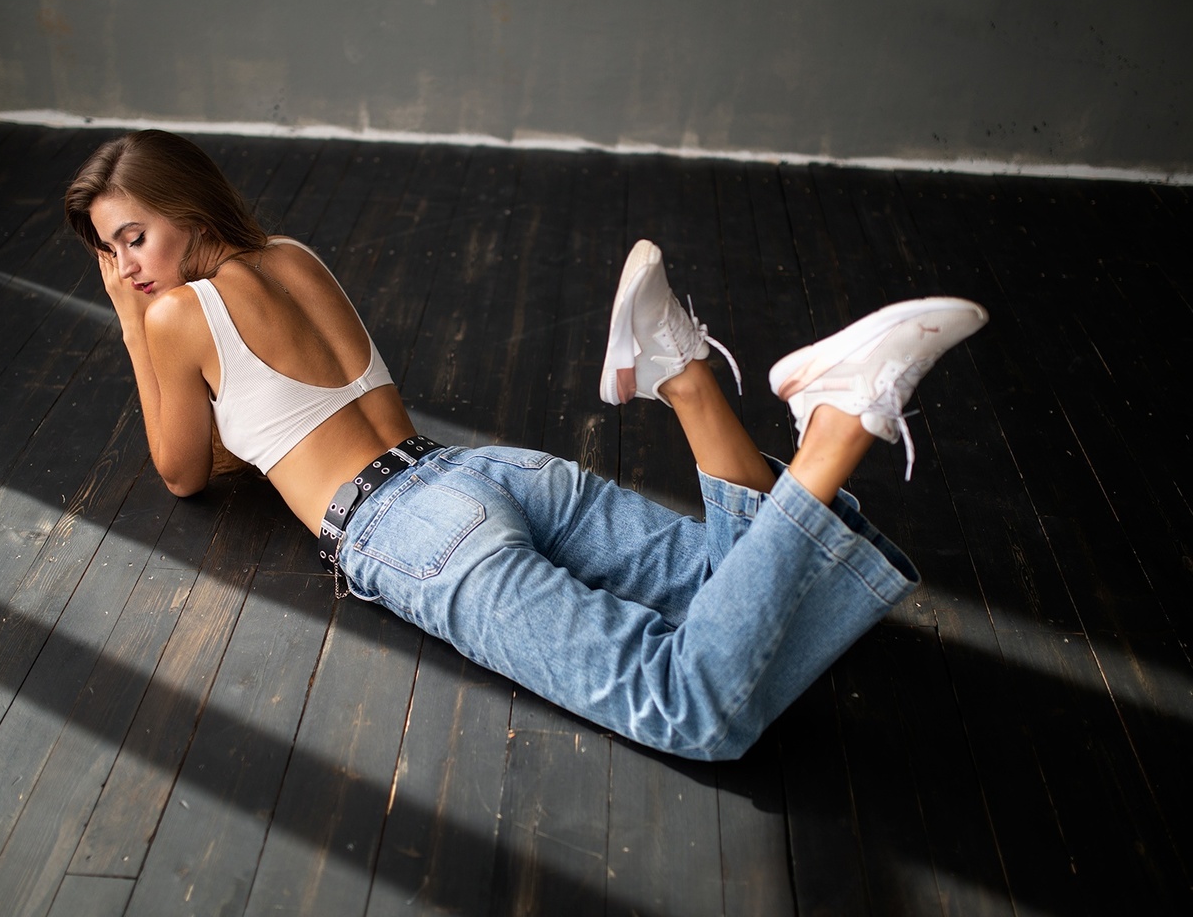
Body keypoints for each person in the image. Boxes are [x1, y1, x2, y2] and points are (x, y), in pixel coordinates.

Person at [65, 129, 987, 762]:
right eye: (112, 256)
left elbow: (183, 471)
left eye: (133, 239)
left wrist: (132, 326)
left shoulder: (177, 313)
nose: (128, 270)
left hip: (410, 529)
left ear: (186, 208)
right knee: (759, 581)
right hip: (481, 469)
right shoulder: (294, 256)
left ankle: (840, 425)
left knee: (689, 708)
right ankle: (680, 370)